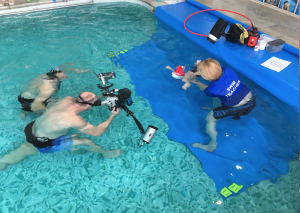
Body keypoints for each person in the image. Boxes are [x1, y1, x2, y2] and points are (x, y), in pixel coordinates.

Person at [0, 92, 122, 170]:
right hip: (41, 141)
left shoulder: (68, 99)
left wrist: (101, 97)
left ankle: (70, 145)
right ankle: (104, 153)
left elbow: (86, 102)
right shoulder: (74, 119)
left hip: (31, 127)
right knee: (87, 140)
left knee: (72, 136)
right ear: (86, 106)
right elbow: (97, 132)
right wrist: (112, 115)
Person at [186, 59, 256, 152]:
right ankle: (218, 110)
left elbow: (205, 88)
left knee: (210, 118)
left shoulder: (212, 90)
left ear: (205, 77)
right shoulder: (228, 70)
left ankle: (212, 144)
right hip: (251, 98)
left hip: (239, 108)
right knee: (217, 97)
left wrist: (195, 81)